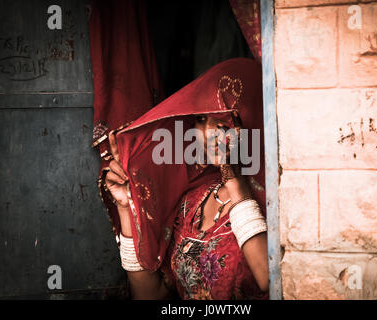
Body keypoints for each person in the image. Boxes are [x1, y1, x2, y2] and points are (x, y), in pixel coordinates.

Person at [100, 58, 268, 300]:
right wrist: (126, 207)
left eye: (221, 117)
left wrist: (234, 180)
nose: (209, 130)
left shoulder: (278, 199)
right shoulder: (192, 201)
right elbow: (150, 296)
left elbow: (268, 280)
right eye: (200, 119)